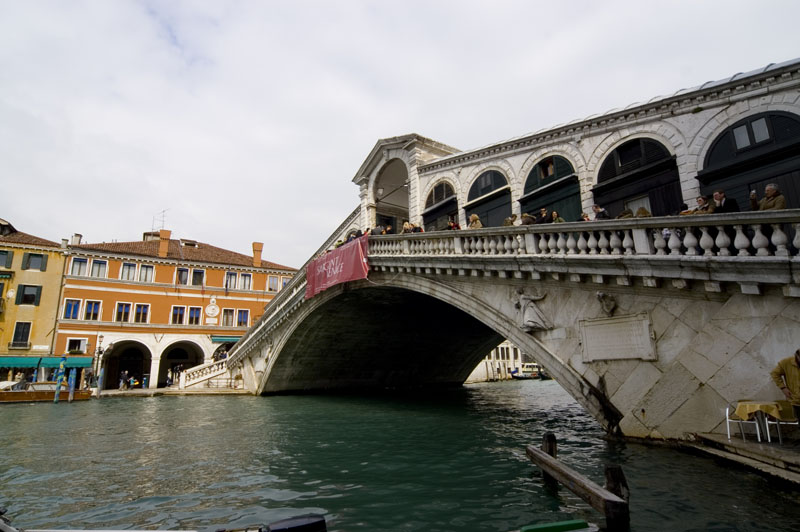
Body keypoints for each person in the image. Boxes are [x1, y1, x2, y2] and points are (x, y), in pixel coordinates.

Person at [770, 348, 800, 420]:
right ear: (797, 356)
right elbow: (774, 374)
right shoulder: (786, 362)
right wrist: (783, 388)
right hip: (796, 399)